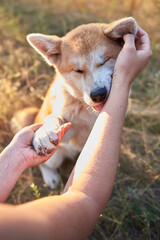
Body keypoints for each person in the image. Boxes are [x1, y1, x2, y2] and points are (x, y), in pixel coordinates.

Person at [0, 27, 152, 240]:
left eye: (102, 63)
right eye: (79, 71)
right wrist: (52, 124)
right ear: (53, 58)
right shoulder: (64, 95)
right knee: (52, 161)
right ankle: (46, 168)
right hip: (67, 146)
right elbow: (83, 200)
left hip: (84, 146)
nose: (96, 86)